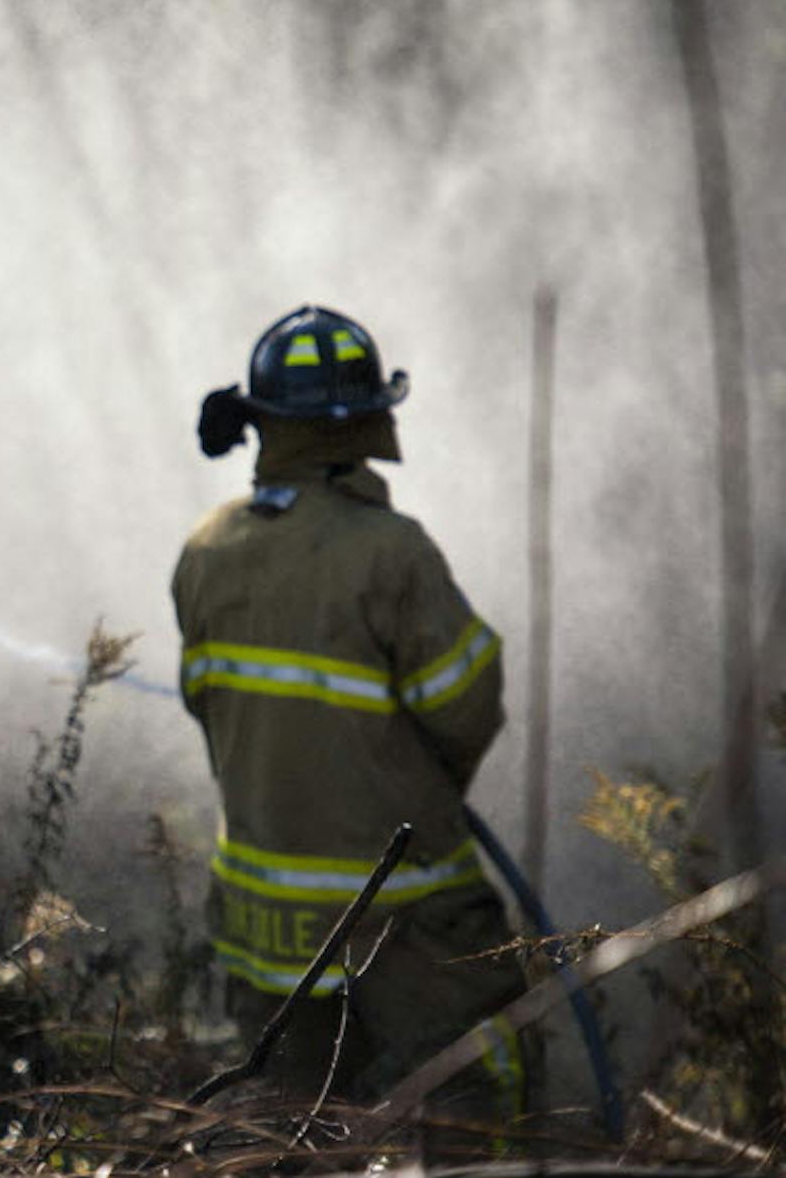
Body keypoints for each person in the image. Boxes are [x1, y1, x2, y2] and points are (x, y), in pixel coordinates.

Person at [172, 304, 530, 1122]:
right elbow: (466, 710)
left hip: (265, 924)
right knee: (475, 1110)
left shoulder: (206, 549)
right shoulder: (390, 552)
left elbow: (208, 707)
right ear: (366, 423)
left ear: (265, 424)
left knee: (292, 1131)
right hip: (407, 918)